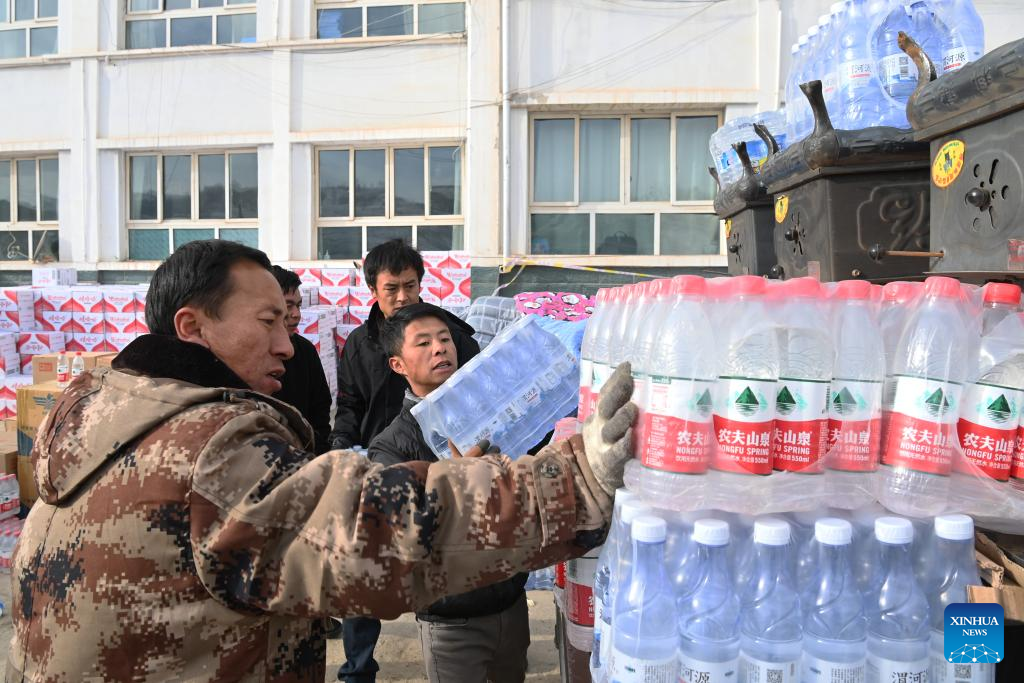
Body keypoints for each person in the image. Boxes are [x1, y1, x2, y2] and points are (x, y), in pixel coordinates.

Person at [8, 239, 637, 682]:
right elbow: (374, 531)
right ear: (193, 327)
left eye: (288, 321)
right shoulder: (203, 446)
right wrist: (575, 479)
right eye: (268, 322)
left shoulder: (109, 413)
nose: (287, 344)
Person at [328, 239, 480, 681]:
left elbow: (480, 393)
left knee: (458, 558)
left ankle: (487, 640)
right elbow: (350, 405)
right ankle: (358, 668)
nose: (401, 297)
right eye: (391, 288)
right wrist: (341, 444)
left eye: (410, 286)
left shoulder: (452, 336)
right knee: (365, 567)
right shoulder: (360, 344)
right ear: (372, 290)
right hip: (384, 464)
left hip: (447, 463)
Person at [371, 302, 533, 682]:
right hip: (452, 619)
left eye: (444, 339)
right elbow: (400, 535)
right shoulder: (392, 445)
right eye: (423, 343)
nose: (440, 348)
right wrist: (453, 486)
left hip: (511, 600)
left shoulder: (492, 415)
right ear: (398, 364)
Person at [270, 265, 332, 454]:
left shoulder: (306, 351)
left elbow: (321, 409)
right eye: (288, 306)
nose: (296, 314)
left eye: (298, 305)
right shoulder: (248, 354)